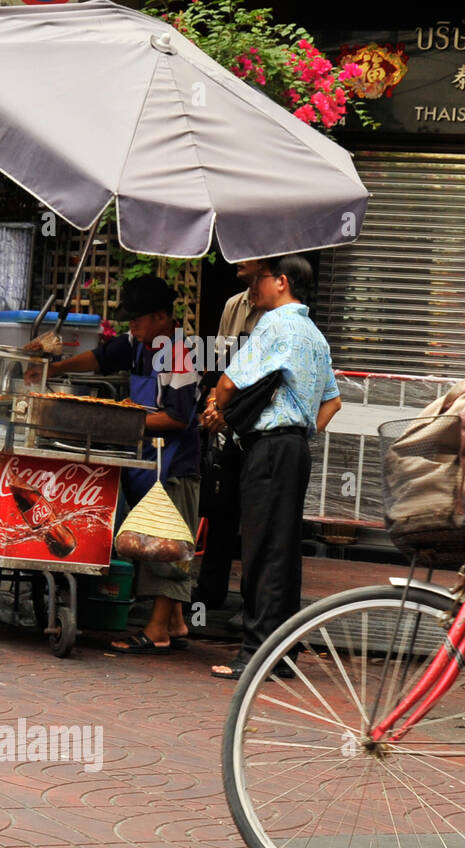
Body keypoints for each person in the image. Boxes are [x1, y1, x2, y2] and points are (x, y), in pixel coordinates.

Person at [27, 275, 200, 652]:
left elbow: (178, 417)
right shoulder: (139, 343)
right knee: (145, 540)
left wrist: (120, 419)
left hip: (173, 463)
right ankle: (175, 622)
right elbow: (102, 357)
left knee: (166, 544)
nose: (131, 327)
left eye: (137, 319)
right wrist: (50, 370)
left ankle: (157, 631)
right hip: (146, 459)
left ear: (160, 317)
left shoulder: (179, 353)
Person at [201, 255, 342, 679]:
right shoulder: (315, 335)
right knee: (282, 552)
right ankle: (280, 654)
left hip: (270, 448)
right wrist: (299, 434)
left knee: (261, 552)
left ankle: (254, 655)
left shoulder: (276, 324)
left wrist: (215, 407)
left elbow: (229, 382)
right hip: (292, 449)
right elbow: (333, 401)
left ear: (281, 282)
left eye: (260, 280)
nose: (253, 288)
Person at [194, 259, 265, 611]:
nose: (237, 259)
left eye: (246, 254)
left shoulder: (279, 315)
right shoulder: (233, 306)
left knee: (256, 519)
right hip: (228, 418)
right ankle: (209, 596)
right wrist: (213, 404)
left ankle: (253, 605)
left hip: (259, 424)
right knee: (221, 509)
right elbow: (221, 364)